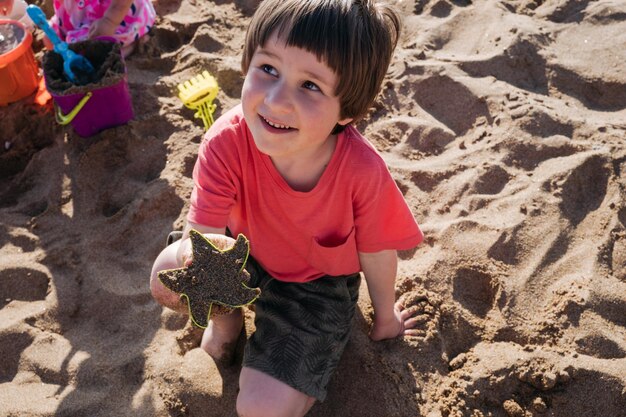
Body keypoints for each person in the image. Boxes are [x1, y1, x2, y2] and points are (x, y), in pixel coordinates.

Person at [150, 0, 424, 415]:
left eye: (310, 85)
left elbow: (376, 250)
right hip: (240, 255)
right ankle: (229, 324)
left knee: (260, 409)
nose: (277, 100)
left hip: (312, 286)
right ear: (247, 63)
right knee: (170, 269)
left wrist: (384, 318)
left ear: (347, 110)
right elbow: (203, 235)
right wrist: (209, 284)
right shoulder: (225, 140)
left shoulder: (361, 170)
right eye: (268, 69)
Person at [48, 0, 155, 57]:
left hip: (116, 13)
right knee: (49, 37)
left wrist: (109, 21)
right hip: (78, 12)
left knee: (95, 50)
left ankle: (130, 45)